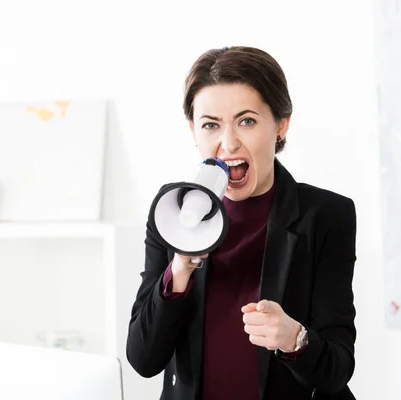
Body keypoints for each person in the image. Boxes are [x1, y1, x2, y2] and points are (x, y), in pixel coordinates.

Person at [126, 46, 357, 400]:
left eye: (246, 121)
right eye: (210, 125)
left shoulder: (326, 215)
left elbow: (338, 369)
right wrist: (179, 269)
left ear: (280, 125)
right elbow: (143, 359)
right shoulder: (171, 210)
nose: (228, 142)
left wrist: (294, 338)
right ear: (193, 130)